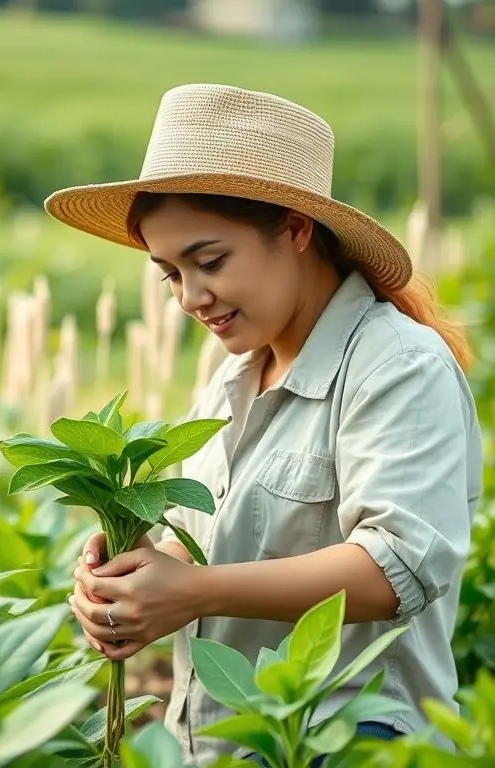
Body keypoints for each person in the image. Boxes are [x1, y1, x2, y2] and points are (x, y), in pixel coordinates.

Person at [43, 84, 483, 766]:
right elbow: (200, 546)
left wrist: (192, 592)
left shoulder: (395, 365)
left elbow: (396, 568)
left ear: (297, 229)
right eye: (169, 275)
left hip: (351, 744)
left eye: (210, 261)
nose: (191, 298)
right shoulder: (232, 380)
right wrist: (131, 587)